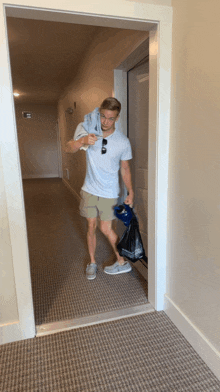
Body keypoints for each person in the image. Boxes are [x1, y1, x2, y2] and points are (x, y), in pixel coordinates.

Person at [65, 97, 134, 280]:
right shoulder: (89, 130)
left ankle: (122, 261)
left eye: (110, 118)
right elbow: (68, 148)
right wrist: (83, 141)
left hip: (109, 192)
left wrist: (131, 191)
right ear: (99, 113)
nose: (105, 122)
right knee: (91, 226)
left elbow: (125, 168)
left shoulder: (122, 142)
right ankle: (93, 262)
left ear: (117, 118)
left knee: (106, 228)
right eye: (103, 116)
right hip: (89, 189)